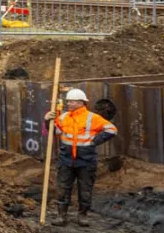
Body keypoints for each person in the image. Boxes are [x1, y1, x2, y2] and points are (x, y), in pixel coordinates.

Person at [45, 88, 117, 224]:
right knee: (63, 188)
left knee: (85, 189)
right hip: (66, 159)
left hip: (86, 160)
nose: (68, 104)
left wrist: (95, 141)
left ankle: (83, 215)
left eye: (71, 101)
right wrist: (47, 120)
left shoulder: (92, 118)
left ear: (80, 102)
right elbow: (54, 130)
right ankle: (61, 216)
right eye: (68, 101)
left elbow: (112, 129)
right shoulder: (64, 117)